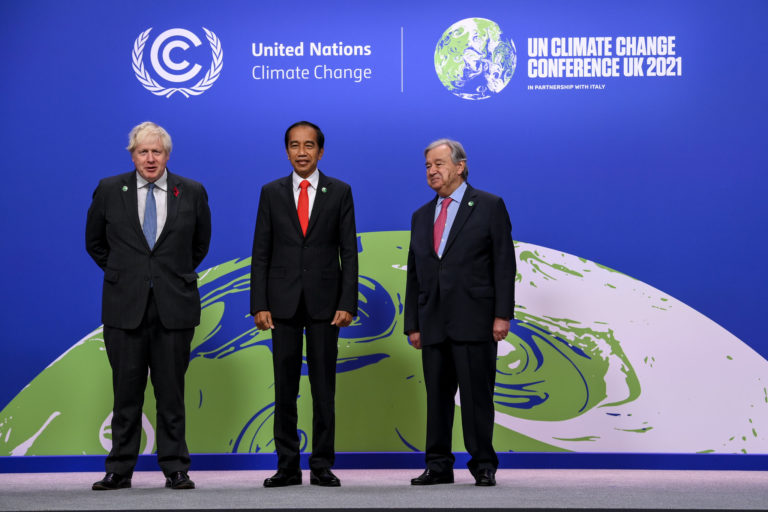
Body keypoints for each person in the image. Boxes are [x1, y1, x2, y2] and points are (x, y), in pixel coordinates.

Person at [85, 122, 211, 490]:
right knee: (126, 394)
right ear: (132, 154)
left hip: (175, 306)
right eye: (144, 151)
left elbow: (199, 245)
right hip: (125, 307)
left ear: (167, 155)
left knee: (171, 393)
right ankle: (119, 470)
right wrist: (128, 274)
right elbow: (95, 242)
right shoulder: (109, 190)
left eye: (157, 152)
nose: (151, 158)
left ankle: (175, 467)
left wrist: (167, 274)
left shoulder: (191, 191)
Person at [250, 121, 357, 487]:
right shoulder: (271, 192)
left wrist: (347, 301)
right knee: (285, 388)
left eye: (309, 145)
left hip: (327, 307)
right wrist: (259, 303)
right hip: (281, 306)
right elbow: (260, 252)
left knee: (324, 388)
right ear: (286, 151)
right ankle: (287, 466)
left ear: (320, 151)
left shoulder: (340, 192)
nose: (301, 152)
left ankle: (322, 464)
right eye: (294, 145)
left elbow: (348, 251)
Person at [404, 139, 515, 487]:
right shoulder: (421, 216)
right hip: (432, 321)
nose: (432, 171)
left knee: (476, 398)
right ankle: (438, 465)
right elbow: (415, 273)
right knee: (437, 399)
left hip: (475, 320)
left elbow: (503, 265)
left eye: (438, 164)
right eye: (427, 166)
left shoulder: (489, 206)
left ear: (460, 166)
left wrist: (502, 315)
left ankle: (483, 463)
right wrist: (413, 323)